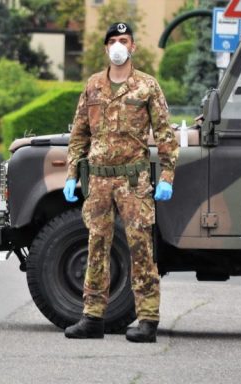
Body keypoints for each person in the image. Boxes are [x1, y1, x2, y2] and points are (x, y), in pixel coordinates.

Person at [62, 22, 179, 343]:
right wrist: (71, 174)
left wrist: (167, 175)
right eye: (112, 40)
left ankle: (147, 318)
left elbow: (166, 135)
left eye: (123, 40)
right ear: (106, 48)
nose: (117, 45)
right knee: (96, 246)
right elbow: (79, 134)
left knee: (141, 247)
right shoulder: (93, 86)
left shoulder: (146, 86)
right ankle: (92, 317)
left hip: (133, 180)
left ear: (133, 47)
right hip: (98, 182)